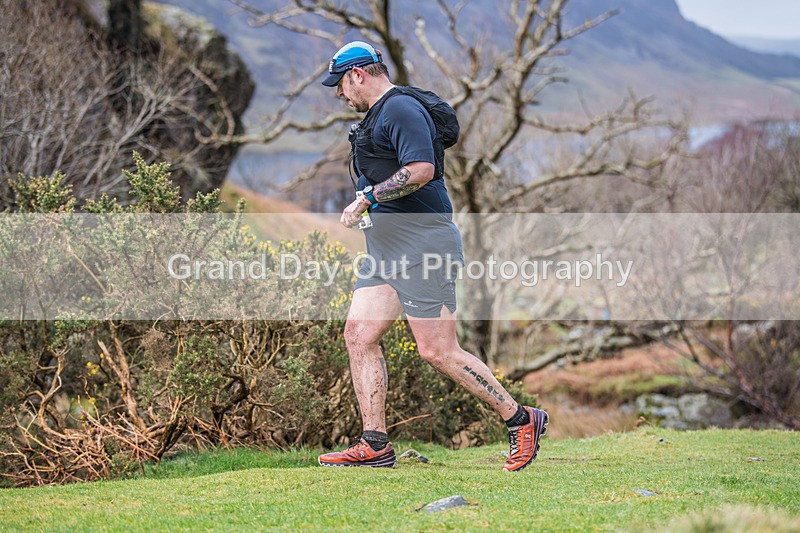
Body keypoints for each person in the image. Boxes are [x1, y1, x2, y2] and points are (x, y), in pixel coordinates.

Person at [317, 41, 548, 472]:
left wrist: (367, 198)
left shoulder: (400, 110)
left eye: (340, 85)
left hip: (424, 248)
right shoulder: (378, 117)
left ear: (358, 75)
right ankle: (375, 444)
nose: (339, 95)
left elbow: (421, 169)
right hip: (387, 252)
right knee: (358, 334)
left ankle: (521, 419)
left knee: (438, 351)